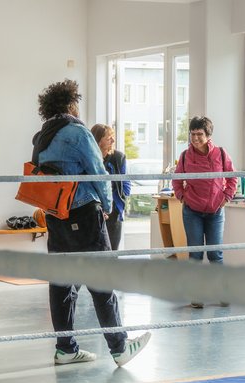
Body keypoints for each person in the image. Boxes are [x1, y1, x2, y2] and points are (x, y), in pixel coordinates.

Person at [32, 79, 150, 367]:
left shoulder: (41, 136)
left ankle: (65, 348)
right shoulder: (77, 132)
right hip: (84, 213)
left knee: (61, 284)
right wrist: (108, 207)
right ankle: (120, 348)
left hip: (56, 215)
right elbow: (98, 173)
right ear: (71, 104)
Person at [172, 115, 237, 309]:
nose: (195, 138)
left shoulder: (221, 154)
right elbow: (176, 180)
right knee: (196, 255)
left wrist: (225, 198)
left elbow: (232, 178)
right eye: (192, 134)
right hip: (192, 211)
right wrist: (182, 196)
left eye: (199, 134)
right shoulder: (185, 156)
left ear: (208, 135)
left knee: (215, 254)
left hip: (215, 212)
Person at [91, 124, 131, 251]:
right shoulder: (90, 159)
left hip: (114, 212)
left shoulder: (119, 157)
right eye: (109, 138)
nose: (113, 141)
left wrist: (119, 203)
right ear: (98, 141)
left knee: (113, 251)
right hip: (94, 212)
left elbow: (126, 184)